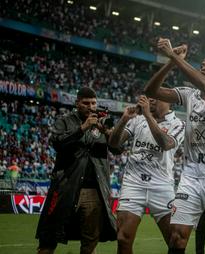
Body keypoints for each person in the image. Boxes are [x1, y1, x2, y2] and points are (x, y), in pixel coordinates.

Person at [144, 39, 205, 254]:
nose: (204, 67)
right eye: (202, 65)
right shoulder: (189, 95)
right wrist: (170, 62)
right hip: (191, 178)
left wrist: (174, 55)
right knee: (177, 238)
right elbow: (151, 90)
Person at [35, 87, 119, 254]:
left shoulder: (103, 122)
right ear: (77, 103)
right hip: (65, 186)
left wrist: (109, 133)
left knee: (90, 241)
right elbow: (56, 143)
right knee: (49, 238)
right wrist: (82, 128)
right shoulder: (65, 120)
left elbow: (118, 149)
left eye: (94, 103)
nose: (91, 106)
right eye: (86, 103)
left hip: (94, 190)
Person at [108, 95, 185, 254]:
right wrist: (124, 120)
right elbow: (113, 144)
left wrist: (148, 115)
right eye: (150, 97)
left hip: (162, 186)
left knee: (175, 239)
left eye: (157, 96)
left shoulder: (178, 124)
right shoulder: (137, 119)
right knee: (123, 239)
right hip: (133, 184)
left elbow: (165, 144)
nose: (152, 100)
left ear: (169, 99)